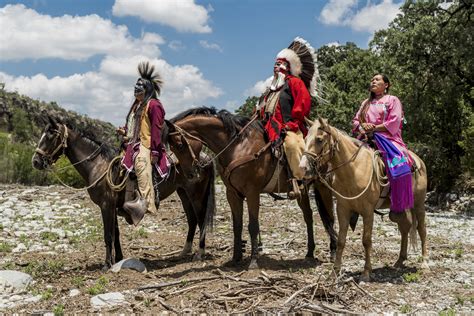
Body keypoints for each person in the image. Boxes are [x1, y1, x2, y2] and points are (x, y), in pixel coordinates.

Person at [258, 37, 320, 199]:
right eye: (275, 64)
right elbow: (260, 108)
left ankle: (300, 179)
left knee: (292, 144)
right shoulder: (270, 89)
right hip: (266, 126)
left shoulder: (295, 83)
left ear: (288, 66)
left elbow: (303, 104)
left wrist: (293, 123)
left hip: (289, 126)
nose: (276, 66)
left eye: (280, 64)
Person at [352, 73, 413, 212]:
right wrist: (362, 126)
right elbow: (355, 121)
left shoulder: (392, 100)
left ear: (386, 85)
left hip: (388, 138)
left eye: (377, 79)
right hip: (365, 138)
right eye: (372, 79)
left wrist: (373, 127)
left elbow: (395, 121)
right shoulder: (365, 103)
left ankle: (397, 199)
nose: (373, 81)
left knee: (400, 162)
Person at [118, 61, 169, 225]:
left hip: (146, 145)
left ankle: (146, 204)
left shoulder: (154, 105)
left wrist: (154, 151)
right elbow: (131, 126)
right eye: (135, 85)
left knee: (141, 163)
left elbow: (156, 129)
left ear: (147, 89)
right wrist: (124, 132)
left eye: (139, 86)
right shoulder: (136, 105)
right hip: (131, 144)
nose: (135, 88)